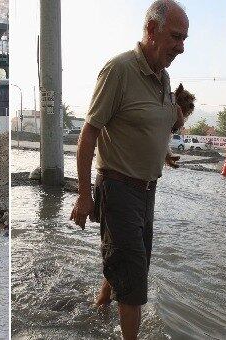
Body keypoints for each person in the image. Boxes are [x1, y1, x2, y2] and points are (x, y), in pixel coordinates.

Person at [69, 1, 187, 338]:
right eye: (175, 37)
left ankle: (101, 303)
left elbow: (152, 127)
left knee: (132, 261)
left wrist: (164, 152)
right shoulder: (118, 70)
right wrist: (84, 196)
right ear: (151, 30)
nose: (181, 47)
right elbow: (88, 133)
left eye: (184, 39)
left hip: (147, 192)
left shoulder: (163, 78)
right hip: (118, 188)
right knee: (134, 279)